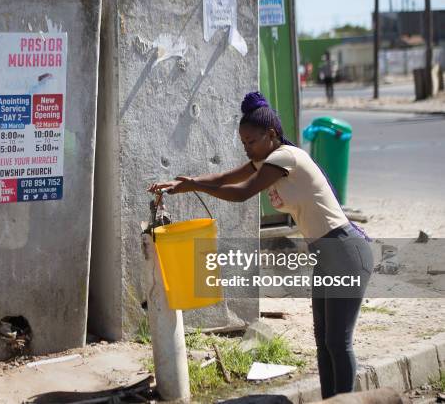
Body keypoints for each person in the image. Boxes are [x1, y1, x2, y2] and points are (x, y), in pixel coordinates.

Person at [148, 91, 373, 400]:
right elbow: (229, 177)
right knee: (324, 342)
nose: (247, 148)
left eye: (251, 142)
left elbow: (242, 192)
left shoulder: (284, 157)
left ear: (270, 135)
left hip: (345, 252)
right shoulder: (267, 160)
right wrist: (187, 185)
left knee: (338, 342)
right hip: (327, 255)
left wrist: (196, 185)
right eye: (243, 143)